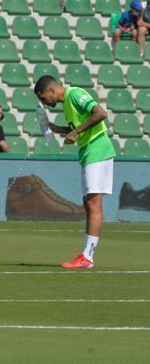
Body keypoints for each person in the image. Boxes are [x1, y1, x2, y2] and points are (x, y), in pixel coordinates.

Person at [38, 80, 119, 264]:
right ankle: (87, 255)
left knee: (93, 203)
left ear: (51, 90)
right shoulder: (66, 104)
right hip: (88, 152)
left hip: (97, 149)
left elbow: (100, 114)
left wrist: (75, 133)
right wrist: (59, 129)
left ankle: (87, 256)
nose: (44, 103)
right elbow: (80, 125)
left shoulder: (74, 94)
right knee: (88, 203)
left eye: (44, 98)